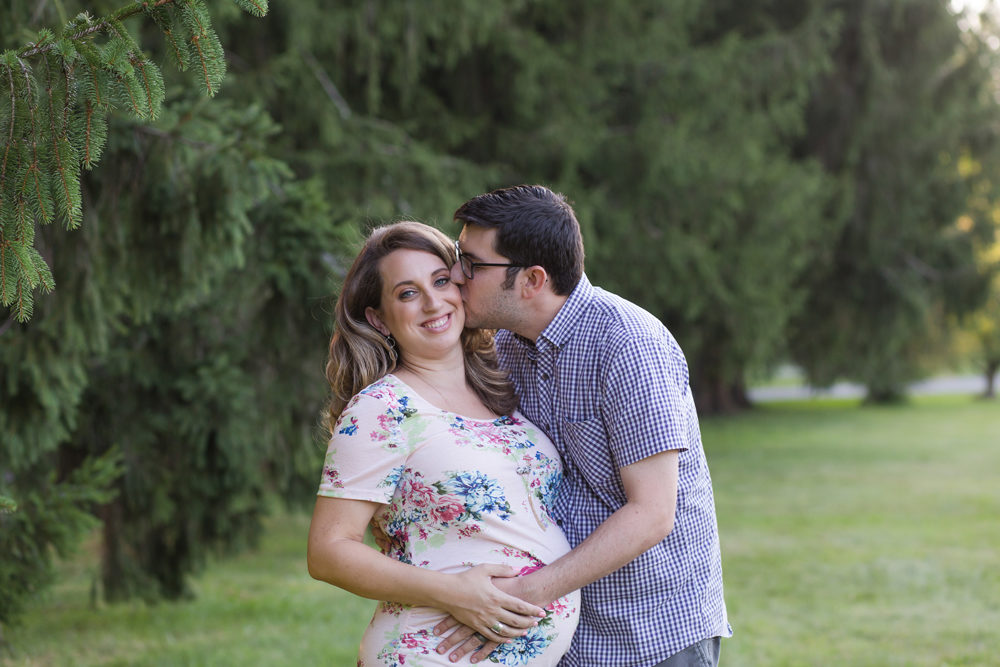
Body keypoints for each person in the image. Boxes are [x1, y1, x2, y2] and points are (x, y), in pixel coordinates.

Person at [432, 185, 732, 667]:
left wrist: (526, 593)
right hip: (562, 632)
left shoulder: (628, 345)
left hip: (651, 632)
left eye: (471, 263)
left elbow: (652, 513)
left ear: (531, 280)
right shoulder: (504, 348)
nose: (455, 275)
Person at [307, 220, 581, 666]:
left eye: (440, 281)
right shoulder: (382, 408)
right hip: (431, 652)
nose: (433, 302)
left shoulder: (499, 389)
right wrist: (454, 592)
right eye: (407, 293)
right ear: (379, 318)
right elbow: (328, 551)